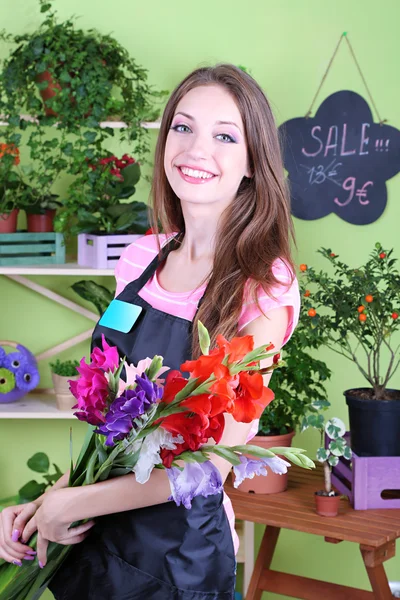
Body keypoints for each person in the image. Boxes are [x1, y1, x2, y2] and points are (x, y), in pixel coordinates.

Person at [0, 63, 300, 599]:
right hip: (94, 546)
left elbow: (208, 467)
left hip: (177, 562)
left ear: (254, 161)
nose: (195, 149)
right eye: (183, 127)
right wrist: (46, 503)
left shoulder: (263, 285)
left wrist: (76, 504)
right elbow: (115, 431)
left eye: (224, 135)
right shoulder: (140, 258)